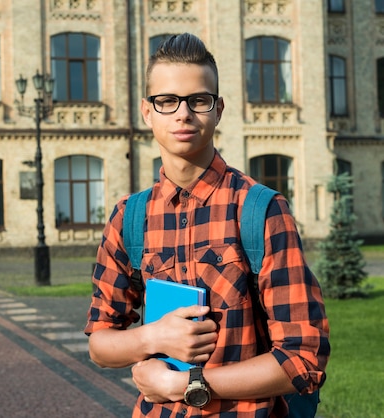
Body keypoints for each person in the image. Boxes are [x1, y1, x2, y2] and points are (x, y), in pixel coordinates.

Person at [84, 33, 330, 417]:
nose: (183, 114)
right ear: (147, 112)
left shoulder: (260, 210)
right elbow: (100, 343)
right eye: (167, 101)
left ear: (218, 109)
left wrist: (185, 385)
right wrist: (152, 336)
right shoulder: (129, 217)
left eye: (199, 100)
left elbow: (304, 357)